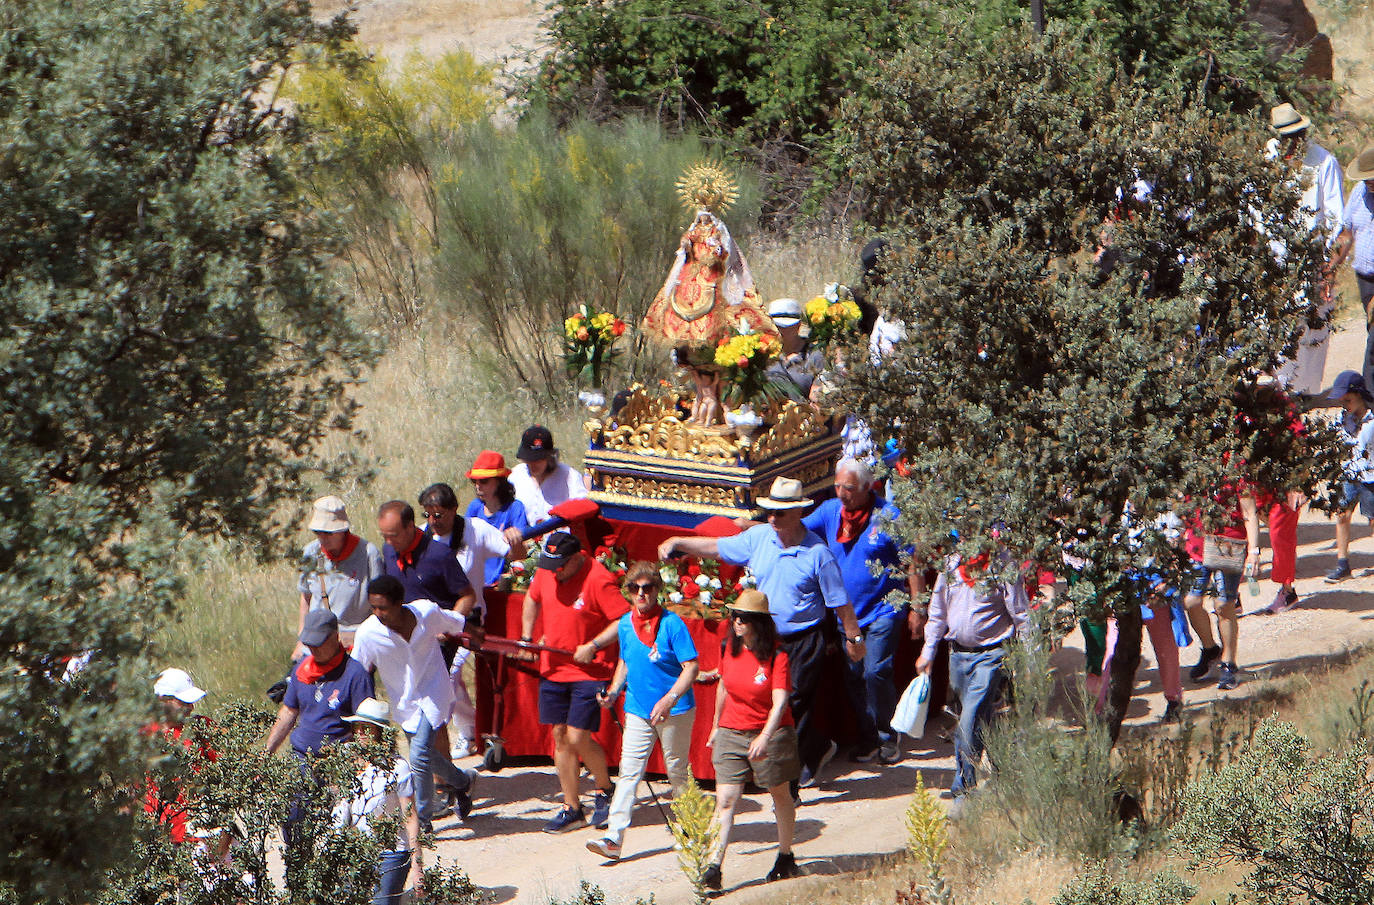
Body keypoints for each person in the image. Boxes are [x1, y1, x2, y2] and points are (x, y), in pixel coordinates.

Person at [658, 476, 864, 790]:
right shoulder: (759, 538)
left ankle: (789, 783)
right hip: (765, 637)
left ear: (797, 512)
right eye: (768, 512)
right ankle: (813, 749)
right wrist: (678, 541)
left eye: (779, 513)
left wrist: (854, 639)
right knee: (768, 701)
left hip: (803, 639)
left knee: (792, 703)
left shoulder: (818, 554)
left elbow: (840, 603)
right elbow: (717, 547)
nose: (771, 518)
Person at [578, 562, 700, 862]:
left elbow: (692, 667)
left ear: (658, 590)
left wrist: (669, 699)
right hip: (637, 709)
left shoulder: (672, 624)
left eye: (647, 588)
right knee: (628, 772)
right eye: (635, 589)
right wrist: (613, 691)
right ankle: (614, 838)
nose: (641, 594)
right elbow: (626, 661)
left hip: (675, 710)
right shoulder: (624, 624)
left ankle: (690, 828)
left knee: (676, 770)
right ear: (629, 592)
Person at [802, 458, 917, 764]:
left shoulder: (888, 516)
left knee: (876, 671)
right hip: (847, 616)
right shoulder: (830, 512)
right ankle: (868, 739)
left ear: (867, 487)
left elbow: (912, 561)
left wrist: (918, 607)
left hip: (884, 610)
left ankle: (888, 736)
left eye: (849, 488)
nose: (841, 493)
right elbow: (797, 531)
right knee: (854, 676)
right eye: (837, 486)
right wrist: (758, 528)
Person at [351, 575, 478, 834]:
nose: (378, 613)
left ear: (400, 603)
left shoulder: (426, 612)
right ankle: (462, 781)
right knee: (427, 755)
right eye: (373, 607)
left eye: (383, 608)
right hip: (404, 702)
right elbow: (357, 670)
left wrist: (472, 633)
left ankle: (422, 819)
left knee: (418, 753)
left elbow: (455, 622)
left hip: (433, 692)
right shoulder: (368, 633)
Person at [521, 531, 629, 833]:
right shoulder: (547, 571)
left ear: (576, 557)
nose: (553, 571)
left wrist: (594, 645)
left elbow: (623, 620)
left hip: (590, 671)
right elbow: (532, 598)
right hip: (554, 668)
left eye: (560, 565)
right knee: (559, 736)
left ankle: (605, 789)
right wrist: (527, 638)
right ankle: (572, 807)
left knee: (578, 736)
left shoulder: (598, 578)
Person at [704, 590, 801, 891]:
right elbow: (723, 688)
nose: (736, 622)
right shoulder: (728, 648)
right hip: (732, 730)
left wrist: (765, 736)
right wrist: (716, 726)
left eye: (743, 618)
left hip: (770, 731)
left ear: (758, 623)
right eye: (734, 616)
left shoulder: (777, 653)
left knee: (780, 795)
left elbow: (780, 699)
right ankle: (713, 866)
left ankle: (785, 855)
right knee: (726, 800)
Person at [916, 552, 1029, 798]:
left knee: (970, 718)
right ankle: (1003, 774)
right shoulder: (951, 564)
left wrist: (1032, 659)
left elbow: (1021, 614)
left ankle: (963, 788)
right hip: (957, 655)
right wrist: (928, 652)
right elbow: (938, 611)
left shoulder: (1004, 565)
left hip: (993, 655)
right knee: (978, 719)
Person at [264, 609, 376, 844]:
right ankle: (299, 867)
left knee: (335, 834)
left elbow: (365, 729)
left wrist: (352, 772)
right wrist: (267, 752)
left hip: (337, 762)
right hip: (301, 757)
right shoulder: (302, 671)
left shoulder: (355, 674)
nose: (313, 649)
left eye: (318, 643)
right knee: (293, 817)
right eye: (309, 644)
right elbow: (288, 711)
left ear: (335, 637)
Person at [420, 481, 508, 758]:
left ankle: (446, 738)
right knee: (447, 681)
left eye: (439, 515)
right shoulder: (423, 539)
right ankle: (466, 729)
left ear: (454, 509)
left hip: (470, 619)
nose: (433, 522)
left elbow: (512, 551)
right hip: (435, 623)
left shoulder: (476, 529)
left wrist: (515, 540)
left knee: (450, 675)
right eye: (428, 515)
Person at [1266, 102, 1345, 395]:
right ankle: (1281, 395)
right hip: (1274, 264)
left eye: (1298, 134)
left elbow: (1336, 219)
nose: (1293, 141)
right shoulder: (1267, 157)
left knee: (1314, 330)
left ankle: (1307, 394)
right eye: (1287, 136)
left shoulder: (1324, 161)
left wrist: (1328, 269)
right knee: (1277, 330)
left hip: (1313, 265)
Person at [335, 698, 424, 905]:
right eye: (357, 727)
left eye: (367, 728)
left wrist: (418, 866)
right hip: (357, 849)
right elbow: (341, 808)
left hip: (391, 853)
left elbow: (410, 818)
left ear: (380, 732)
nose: (361, 733)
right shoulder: (348, 760)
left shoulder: (397, 767)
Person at [1182, 482, 1260, 690]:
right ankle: (1210, 649)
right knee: (1190, 601)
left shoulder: (1236, 468)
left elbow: (1249, 512)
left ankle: (1229, 662)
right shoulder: (1193, 463)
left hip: (1229, 544)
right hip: (1196, 545)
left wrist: (1253, 552)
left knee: (1224, 604)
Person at [295, 495, 383, 657]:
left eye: (328, 533)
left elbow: (379, 604)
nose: (322, 538)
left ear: (342, 531)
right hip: (316, 642)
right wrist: (301, 641)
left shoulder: (369, 554)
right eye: (317, 532)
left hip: (356, 644)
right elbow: (306, 597)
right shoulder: (310, 553)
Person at [1328, 144, 1374, 389]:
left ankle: (1369, 396)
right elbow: (1347, 233)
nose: (1369, 183)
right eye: (1366, 179)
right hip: (1365, 278)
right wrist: (1332, 264)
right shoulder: (1359, 192)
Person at [377, 500, 475, 614]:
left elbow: (468, 597)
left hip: (438, 627)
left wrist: (449, 626)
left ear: (409, 526)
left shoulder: (440, 554)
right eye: (384, 536)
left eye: (394, 536)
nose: (389, 542)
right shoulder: (388, 550)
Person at [1324, 370, 1374, 582]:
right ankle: (1342, 563)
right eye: (1342, 401)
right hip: (1349, 474)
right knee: (1342, 515)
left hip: (1370, 477)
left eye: (1348, 400)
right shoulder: (1341, 419)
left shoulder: (1372, 420)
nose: (1345, 404)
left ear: (1360, 396)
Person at [464, 450, 531, 576]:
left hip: (504, 573)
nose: (478, 486)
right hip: (475, 571)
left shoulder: (515, 508)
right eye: (474, 481)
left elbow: (522, 546)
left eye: (484, 481)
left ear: (499, 481)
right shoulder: (475, 507)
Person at [510, 425, 588, 525]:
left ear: (549, 456)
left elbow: (582, 509)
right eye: (529, 459)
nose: (533, 464)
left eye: (539, 459)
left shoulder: (570, 477)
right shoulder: (516, 475)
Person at [765, 298, 826, 400]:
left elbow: (819, 398)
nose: (780, 331)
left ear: (798, 325)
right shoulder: (762, 354)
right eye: (777, 326)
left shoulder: (814, 356)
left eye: (787, 327)